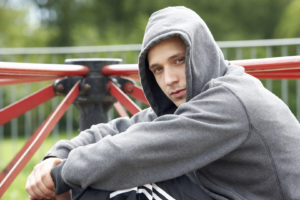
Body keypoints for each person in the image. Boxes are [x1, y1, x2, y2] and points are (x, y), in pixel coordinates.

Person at [26, 6, 300, 200]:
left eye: (178, 61)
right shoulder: (199, 96)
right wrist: (58, 154)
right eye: (157, 69)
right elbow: (125, 128)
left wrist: (61, 177)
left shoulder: (230, 101)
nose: (169, 79)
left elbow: (132, 153)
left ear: (201, 53)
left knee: (111, 185)